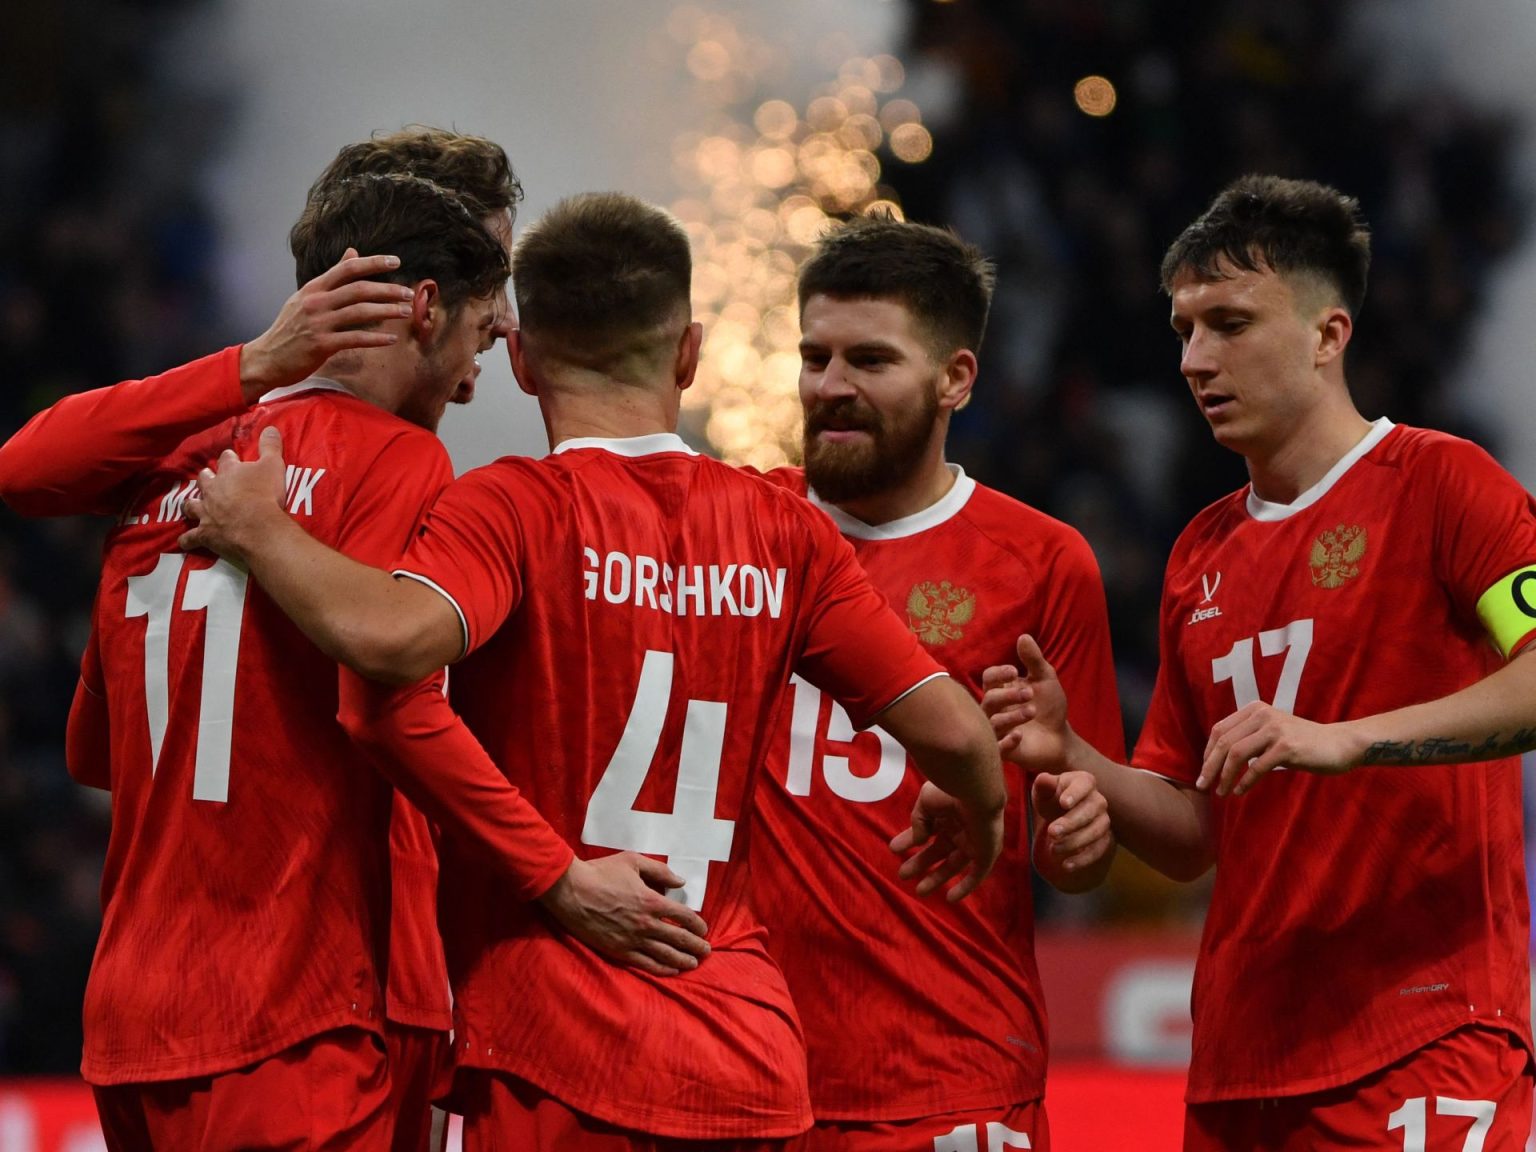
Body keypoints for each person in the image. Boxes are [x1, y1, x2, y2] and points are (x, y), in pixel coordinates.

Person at [178, 191, 1010, 1151]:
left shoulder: (512, 509)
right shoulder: (786, 532)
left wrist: (262, 531)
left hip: (554, 1050)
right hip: (742, 1055)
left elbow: (390, 648)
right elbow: (957, 733)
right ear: (689, 354)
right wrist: (981, 806)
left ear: (522, 361)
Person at [983, 174, 1536, 1151]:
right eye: (1184, 330)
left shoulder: (1442, 483)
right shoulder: (1200, 555)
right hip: (1242, 1063)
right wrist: (1074, 755)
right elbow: (1191, 830)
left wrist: (1347, 740)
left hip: (1424, 1034)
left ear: (1328, 334)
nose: (1196, 359)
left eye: (1230, 324)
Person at [751, 215, 1121, 1152]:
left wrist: (1080, 828)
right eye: (815, 357)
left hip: (951, 1074)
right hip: (750, 1068)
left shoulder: (1043, 562)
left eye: (871, 360)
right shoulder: (738, 526)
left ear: (956, 377)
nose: (830, 386)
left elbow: (1077, 850)